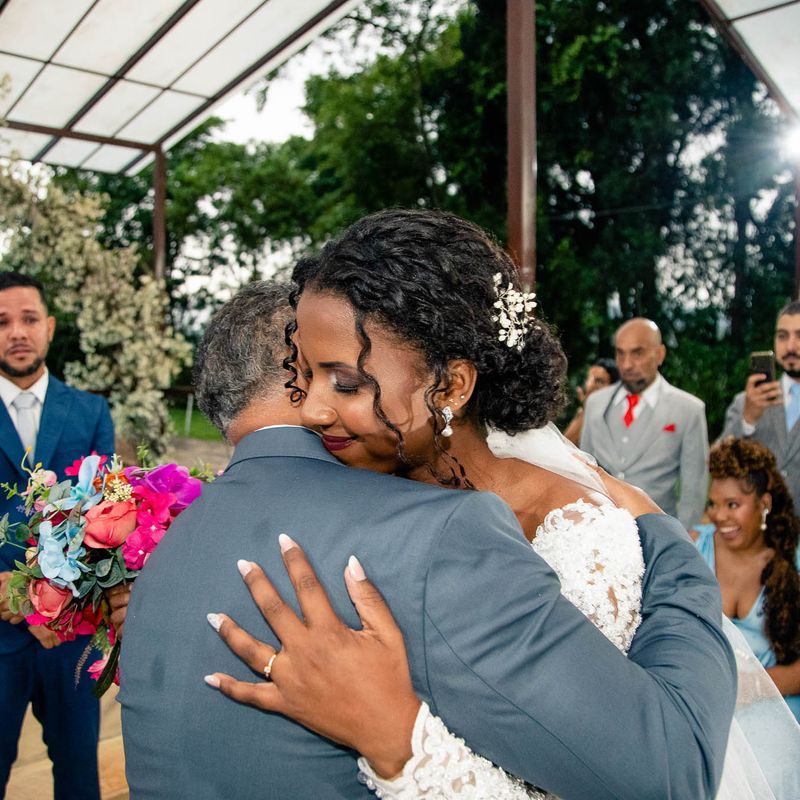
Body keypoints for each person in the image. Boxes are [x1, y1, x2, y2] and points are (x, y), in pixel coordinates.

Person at [126, 213, 736, 798]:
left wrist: (397, 739)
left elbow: (658, 771)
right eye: (304, 376)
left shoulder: (556, 528)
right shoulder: (380, 512)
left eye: (346, 382)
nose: (311, 410)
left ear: (450, 386)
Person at [0, 271, 114, 799]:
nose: (16, 332)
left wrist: (56, 603)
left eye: (27, 320)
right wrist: (20, 599)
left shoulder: (91, 412)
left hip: (70, 634)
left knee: (77, 773)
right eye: (1, 322)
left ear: (48, 327)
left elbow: (106, 517)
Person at [699, 437, 800, 721]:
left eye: (732, 505)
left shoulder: (792, 561)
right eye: (713, 504)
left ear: (764, 503)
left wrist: (753, 686)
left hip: (776, 716)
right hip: (708, 710)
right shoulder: (694, 549)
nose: (719, 516)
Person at [579, 317, 708, 529]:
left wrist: (682, 540)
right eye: (621, 353)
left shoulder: (688, 410)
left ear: (660, 354)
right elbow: (585, 475)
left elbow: (693, 488)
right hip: (601, 532)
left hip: (660, 534)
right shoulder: (595, 403)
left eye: (637, 353)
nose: (627, 364)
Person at [721, 301, 800, 506]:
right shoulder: (745, 402)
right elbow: (719, 463)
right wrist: (747, 420)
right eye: (783, 336)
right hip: (758, 531)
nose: (791, 346)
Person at [562, 358, 619, 445]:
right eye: (589, 379)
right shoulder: (584, 413)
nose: (589, 386)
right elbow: (564, 446)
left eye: (599, 381)